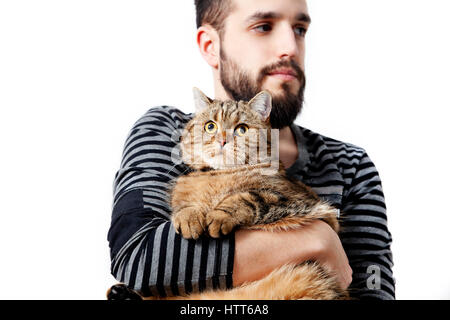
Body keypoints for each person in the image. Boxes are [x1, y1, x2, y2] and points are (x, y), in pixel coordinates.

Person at [107, 0, 395, 300]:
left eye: (300, 29)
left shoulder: (351, 164)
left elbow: (374, 284)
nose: (290, 48)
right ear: (210, 46)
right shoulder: (168, 131)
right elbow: (137, 259)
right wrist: (317, 239)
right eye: (263, 27)